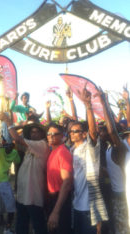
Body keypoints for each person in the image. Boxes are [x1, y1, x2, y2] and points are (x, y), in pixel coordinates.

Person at [0, 112, 49, 234]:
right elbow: (11, 139)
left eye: (37, 131)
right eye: (32, 132)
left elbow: (16, 138)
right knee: (21, 224)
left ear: (43, 134)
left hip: (33, 195)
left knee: (38, 225)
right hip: (23, 194)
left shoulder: (42, 145)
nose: (34, 133)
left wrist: (9, 121)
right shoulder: (30, 146)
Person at [69, 85, 108, 234]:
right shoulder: (72, 150)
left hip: (89, 208)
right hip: (76, 205)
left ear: (83, 134)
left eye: (76, 131)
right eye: (71, 131)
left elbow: (93, 132)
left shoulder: (89, 148)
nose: (72, 133)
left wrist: (88, 106)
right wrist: (71, 100)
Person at [97, 88, 130, 233]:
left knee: (123, 229)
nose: (103, 132)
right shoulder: (110, 148)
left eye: (107, 130)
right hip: (115, 194)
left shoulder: (121, 148)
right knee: (117, 227)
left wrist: (104, 103)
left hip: (123, 196)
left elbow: (111, 131)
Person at [0, 142, 20, 234]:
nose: (8, 148)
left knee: (11, 207)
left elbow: (17, 161)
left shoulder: (14, 152)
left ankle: (8, 229)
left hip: (4, 182)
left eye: (10, 146)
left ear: (13, 146)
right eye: (6, 146)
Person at [46, 122, 73, 234]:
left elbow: (67, 183)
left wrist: (56, 211)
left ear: (62, 136)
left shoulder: (63, 152)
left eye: (55, 134)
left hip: (60, 200)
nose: (51, 136)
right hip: (53, 198)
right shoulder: (53, 150)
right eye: (49, 133)